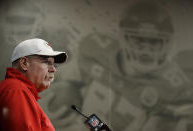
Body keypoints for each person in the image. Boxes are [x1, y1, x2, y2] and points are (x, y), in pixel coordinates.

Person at [76, 1, 193, 131]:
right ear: (122, 37)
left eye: (154, 42)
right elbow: (71, 81)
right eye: (138, 40)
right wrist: (67, 90)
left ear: (167, 43)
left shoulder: (176, 87)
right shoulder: (97, 49)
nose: (146, 50)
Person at [0, 38, 67, 130]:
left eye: (54, 65)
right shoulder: (16, 90)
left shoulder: (17, 90)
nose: (53, 69)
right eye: (47, 62)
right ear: (24, 63)